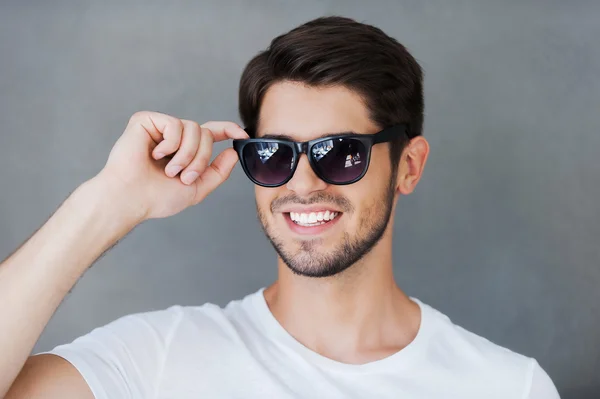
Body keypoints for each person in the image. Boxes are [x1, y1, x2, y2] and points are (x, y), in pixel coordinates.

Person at [2, 16, 560, 398]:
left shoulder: (507, 387)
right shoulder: (160, 360)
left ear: (408, 167)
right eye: (274, 155)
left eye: (341, 153)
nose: (302, 181)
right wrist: (106, 203)